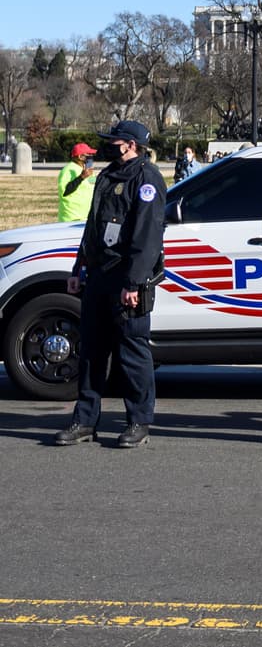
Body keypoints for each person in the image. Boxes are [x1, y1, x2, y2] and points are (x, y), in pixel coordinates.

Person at [54, 120, 167, 448]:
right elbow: (93, 227)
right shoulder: (106, 175)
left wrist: (133, 283)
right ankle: (85, 420)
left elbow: (147, 237)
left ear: (131, 144)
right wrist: (79, 267)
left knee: (132, 353)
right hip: (99, 276)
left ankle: (138, 421)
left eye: (114, 141)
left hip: (127, 278)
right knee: (91, 352)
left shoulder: (146, 178)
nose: (108, 145)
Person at [57, 142, 97, 222]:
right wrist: (81, 177)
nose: (91, 157)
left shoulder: (88, 171)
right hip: (72, 218)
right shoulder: (68, 170)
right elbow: (65, 191)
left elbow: (94, 187)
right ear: (80, 156)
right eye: (89, 154)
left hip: (87, 217)